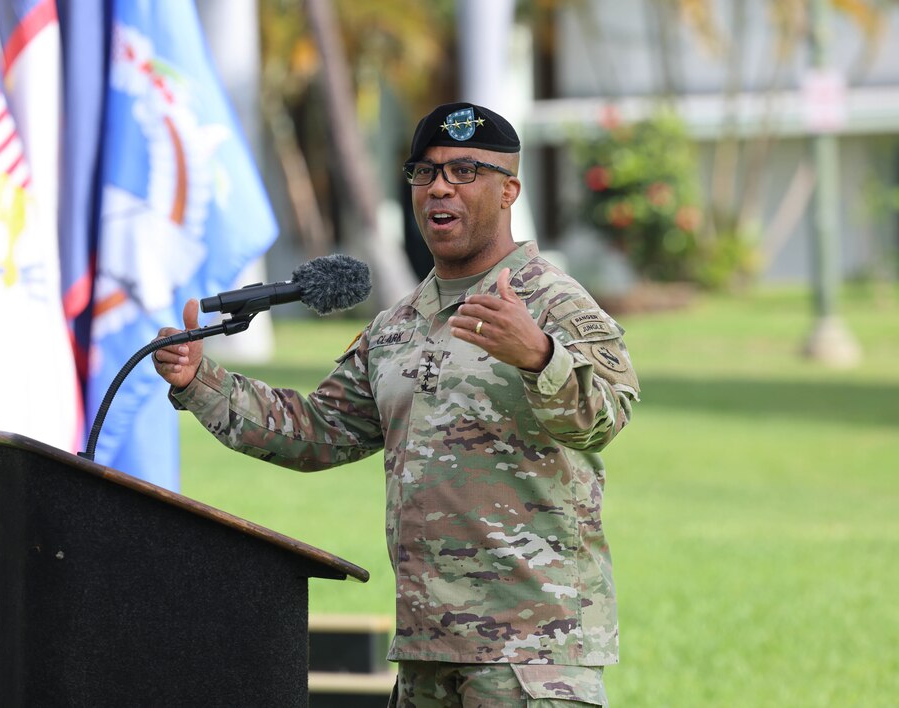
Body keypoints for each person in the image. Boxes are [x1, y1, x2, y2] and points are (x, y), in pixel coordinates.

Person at [153, 102, 640, 707]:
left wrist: (540, 355)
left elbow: (605, 418)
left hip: (531, 654)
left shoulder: (554, 304)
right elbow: (319, 430)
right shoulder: (397, 325)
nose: (440, 187)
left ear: (509, 188)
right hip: (425, 656)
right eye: (424, 172)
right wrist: (202, 381)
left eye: (465, 171)